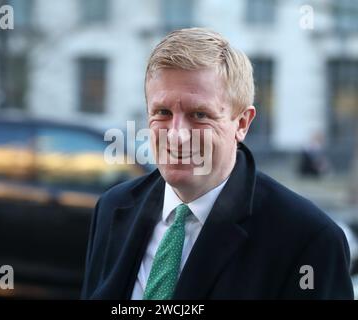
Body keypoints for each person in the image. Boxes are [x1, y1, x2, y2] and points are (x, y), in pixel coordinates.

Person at [81, 28, 353, 299]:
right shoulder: (112, 207)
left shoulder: (309, 240)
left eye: (199, 114)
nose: (176, 135)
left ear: (242, 123)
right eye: (162, 112)